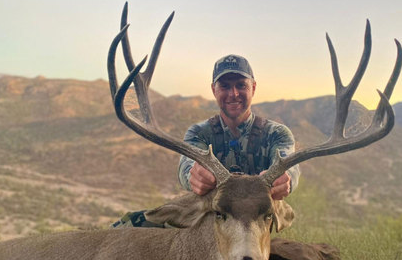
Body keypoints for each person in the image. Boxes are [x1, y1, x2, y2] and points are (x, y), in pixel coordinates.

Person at [111, 54, 300, 228]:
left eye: (241, 85)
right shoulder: (199, 132)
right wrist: (193, 175)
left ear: (253, 87)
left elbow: (289, 165)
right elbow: (187, 166)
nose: (233, 94)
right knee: (127, 227)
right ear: (213, 89)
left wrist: (285, 179)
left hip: (255, 220)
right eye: (225, 86)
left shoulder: (277, 133)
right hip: (209, 215)